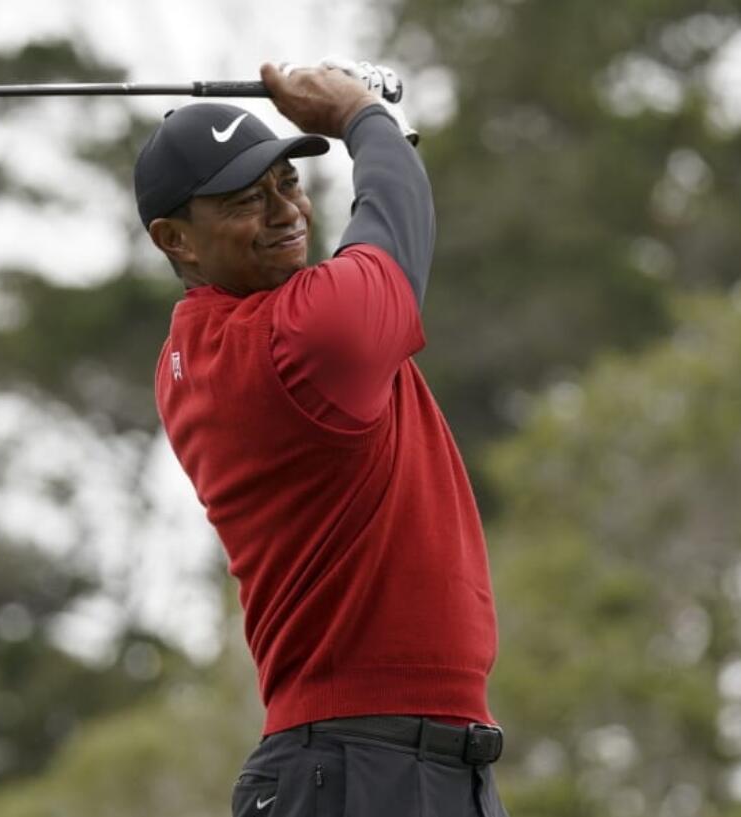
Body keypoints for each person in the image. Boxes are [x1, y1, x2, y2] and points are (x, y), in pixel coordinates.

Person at [133, 61, 510, 817]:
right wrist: (362, 114)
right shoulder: (301, 339)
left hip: (406, 763)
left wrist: (371, 121)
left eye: (287, 183)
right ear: (178, 240)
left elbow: (379, 224)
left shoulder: (202, 348)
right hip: (360, 768)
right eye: (247, 200)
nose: (284, 211)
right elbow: (395, 218)